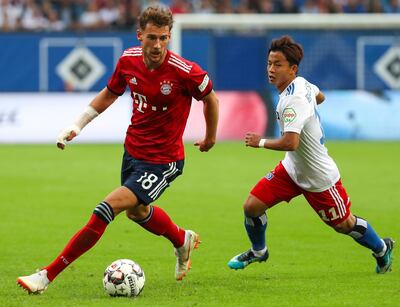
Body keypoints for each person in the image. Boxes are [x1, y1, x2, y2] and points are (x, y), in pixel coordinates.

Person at [17, 5, 219, 294]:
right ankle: (181, 240)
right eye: (152, 38)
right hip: (133, 152)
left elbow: (211, 99)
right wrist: (77, 125)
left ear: (170, 37)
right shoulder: (128, 60)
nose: (157, 45)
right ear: (140, 36)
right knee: (137, 213)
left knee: (105, 209)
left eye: (163, 38)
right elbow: (110, 93)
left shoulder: (185, 71)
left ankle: (46, 276)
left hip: (163, 161)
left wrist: (210, 137)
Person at [227, 35, 394, 274]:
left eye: (278, 65)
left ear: (292, 69)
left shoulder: (292, 100)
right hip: (291, 170)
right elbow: (320, 96)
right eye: (269, 63)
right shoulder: (302, 84)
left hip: (319, 179)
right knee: (251, 207)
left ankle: (381, 247)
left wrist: (260, 142)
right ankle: (259, 251)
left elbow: (291, 142)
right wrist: (309, 111)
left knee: (344, 224)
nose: (271, 70)